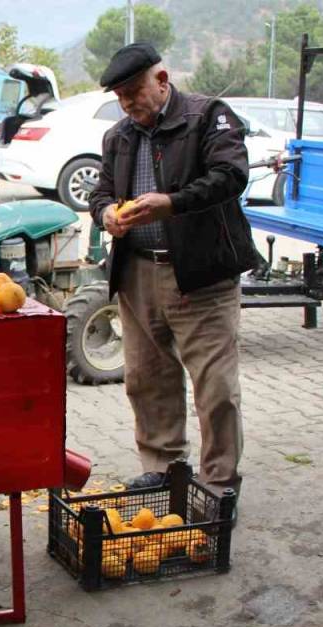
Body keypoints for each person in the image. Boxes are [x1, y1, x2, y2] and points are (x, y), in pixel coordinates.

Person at [88, 43, 256, 497]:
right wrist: (104, 214)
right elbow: (100, 192)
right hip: (138, 274)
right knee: (147, 378)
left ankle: (220, 481)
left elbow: (230, 176)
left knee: (215, 386)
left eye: (134, 91)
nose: (127, 103)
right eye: (120, 96)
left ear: (161, 80)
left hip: (200, 275)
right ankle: (163, 465)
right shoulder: (118, 136)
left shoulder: (208, 117)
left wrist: (172, 205)